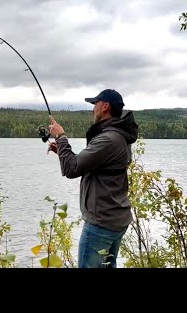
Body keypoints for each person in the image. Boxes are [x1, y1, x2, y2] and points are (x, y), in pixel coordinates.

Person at [47, 89, 138, 268]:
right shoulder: (118, 136)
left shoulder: (108, 139)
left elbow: (72, 169)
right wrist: (63, 152)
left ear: (105, 106)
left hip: (101, 223)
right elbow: (87, 164)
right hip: (115, 218)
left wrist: (61, 136)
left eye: (94, 104)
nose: (92, 109)